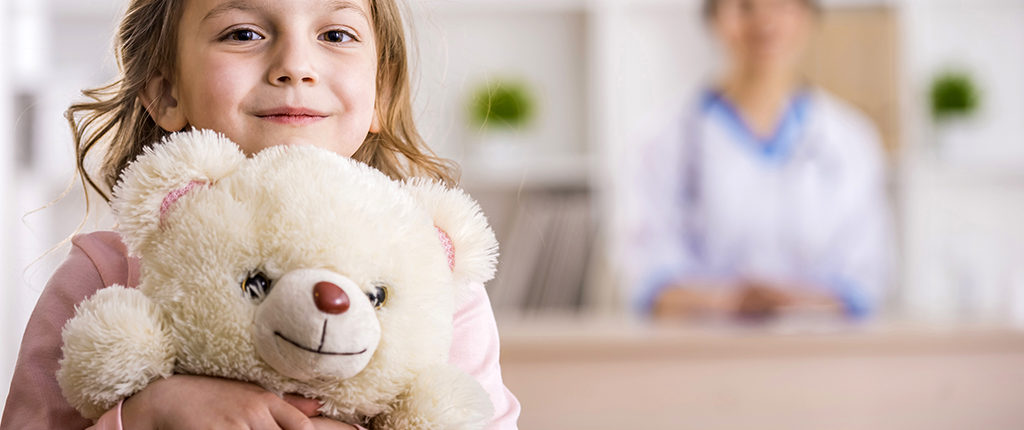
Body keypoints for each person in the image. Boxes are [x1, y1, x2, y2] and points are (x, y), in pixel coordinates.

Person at [1, 0, 520, 428]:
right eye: (243, 33)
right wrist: (144, 417)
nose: (296, 65)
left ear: (381, 92)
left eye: (336, 35)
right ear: (166, 93)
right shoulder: (104, 274)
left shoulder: (430, 274)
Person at [619, 0, 890, 321]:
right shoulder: (662, 139)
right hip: (700, 359)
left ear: (809, 16)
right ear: (713, 17)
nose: (764, 21)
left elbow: (865, 281)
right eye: (744, 6)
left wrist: (789, 303)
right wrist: (728, 302)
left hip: (819, 356)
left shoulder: (850, 141)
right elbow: (647, 276)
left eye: (782, 5)